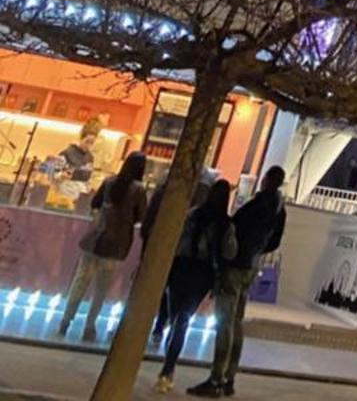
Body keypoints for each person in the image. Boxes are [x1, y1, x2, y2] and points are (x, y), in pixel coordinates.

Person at [188, 165, 285, 398]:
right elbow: (275, 242)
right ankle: (229, 377)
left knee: (225, 322)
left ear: (266, 180)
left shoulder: (255, 206)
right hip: (251, 266)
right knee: (238, 322)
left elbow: (234, 232)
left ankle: (215, 378)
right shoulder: (279, 210)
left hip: (235, 267)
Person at [57, 151, 149, 342]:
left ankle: (65, 321)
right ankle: (89, 327)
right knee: (101, 289)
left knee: (80, 281)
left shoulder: (109, 182)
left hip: (95, 239)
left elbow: (95, 203)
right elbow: (141, 216)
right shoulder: (139, 190)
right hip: (117, 244)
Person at [155, 180, 236, 393]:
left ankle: (167, 366)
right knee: (183, 319)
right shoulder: (225, 224)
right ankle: (168, 369)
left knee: (175, 318)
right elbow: (230, 252)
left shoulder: (193, 214)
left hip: (180, 268)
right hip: (203, 274)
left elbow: (179, 240)